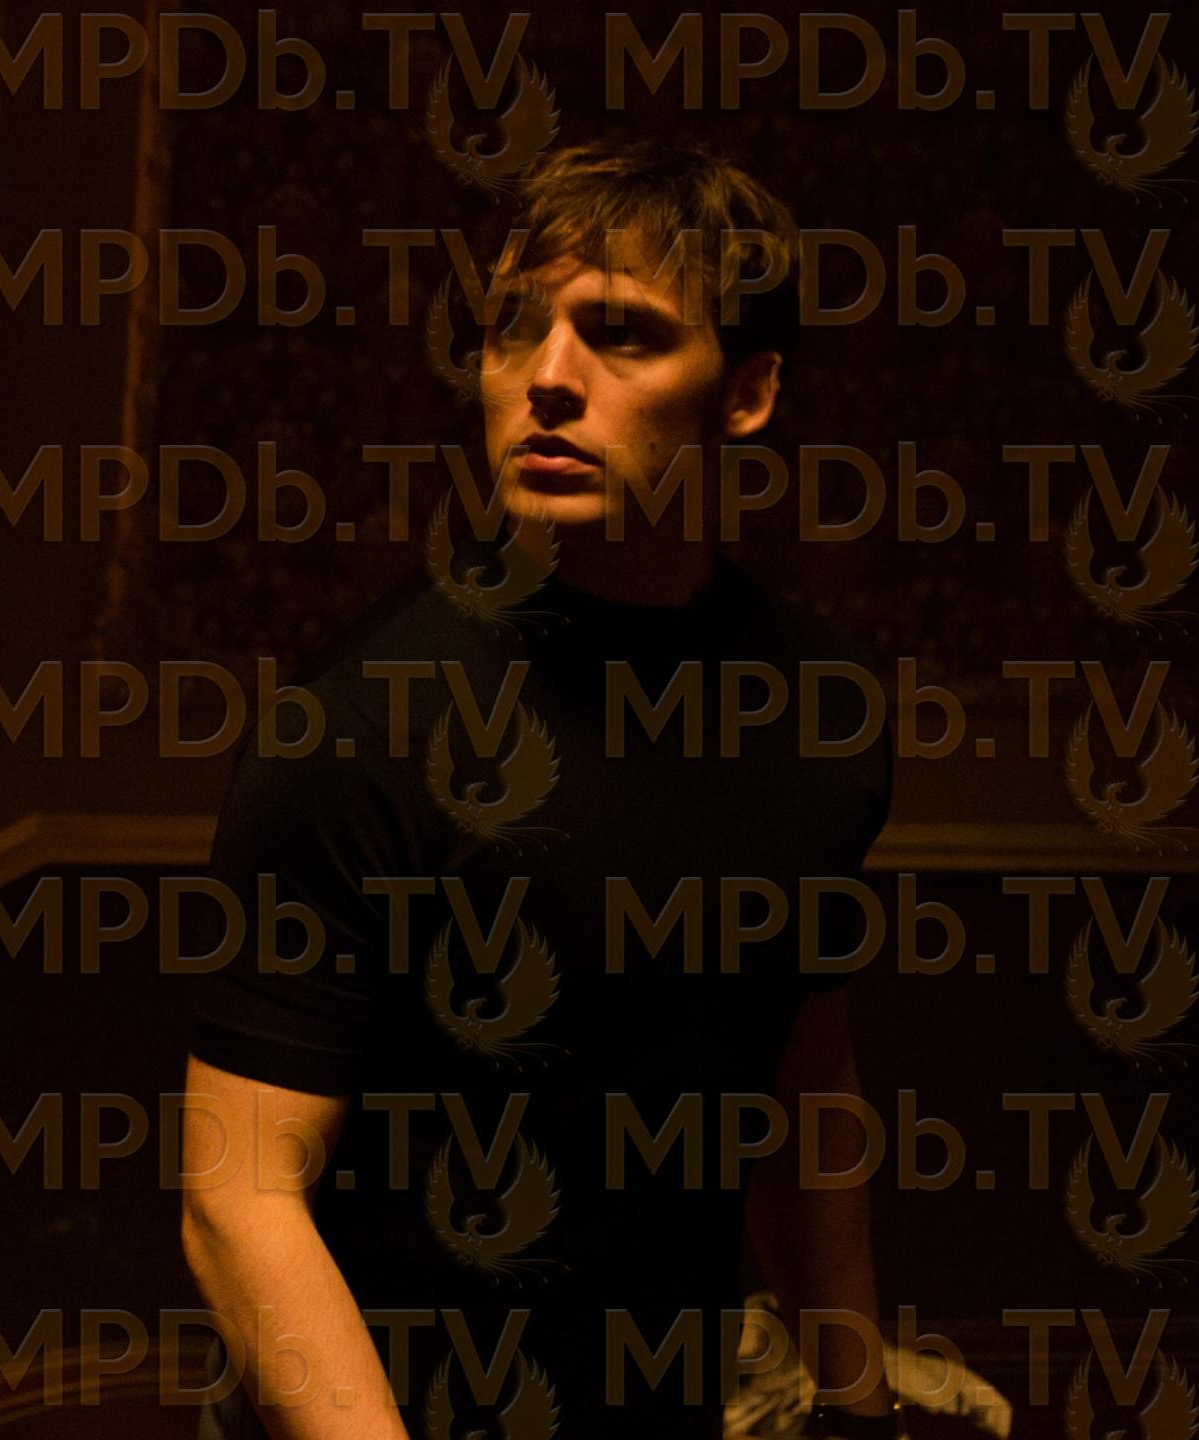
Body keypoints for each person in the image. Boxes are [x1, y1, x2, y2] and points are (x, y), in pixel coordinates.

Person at [178, 140, 903, 1440]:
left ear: (746, 392)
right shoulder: (356, 729)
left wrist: (858, 1406)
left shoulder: (823, 711)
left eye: (622, 334)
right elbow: (239, 1198)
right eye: (515, 328)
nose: (548, 379)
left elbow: (802, 1084)